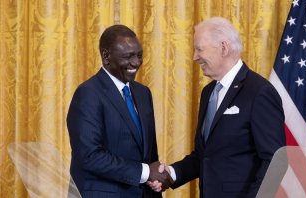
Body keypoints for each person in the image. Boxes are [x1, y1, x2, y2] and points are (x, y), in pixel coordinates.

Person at [148, 17, 286, 197]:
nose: (195, 57)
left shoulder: (259, 92)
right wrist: (170, 174)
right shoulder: (208, 92)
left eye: (199, 49)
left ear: (224, 48)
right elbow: (204, 156)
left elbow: (275, 162)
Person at [66, 24, 172, 198]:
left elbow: (150, 153)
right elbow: (89, 156)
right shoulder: (88, 93)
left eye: (139, 55)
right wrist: (145, 172)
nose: (136, 63)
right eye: (128, 56)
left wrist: (157, 176)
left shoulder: (143, 92)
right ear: (106, 56)